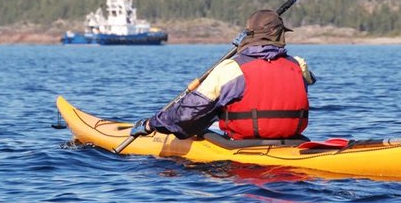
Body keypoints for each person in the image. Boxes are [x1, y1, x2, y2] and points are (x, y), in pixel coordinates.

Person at [131, 9, 315, 140]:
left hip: (242, 155)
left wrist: (152, 124)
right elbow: (307, 79)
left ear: (247, 36)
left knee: (204, 114)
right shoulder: (298, 64)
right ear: (280, 35)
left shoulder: (230, 69)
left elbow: (188, 112)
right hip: (294, 141)